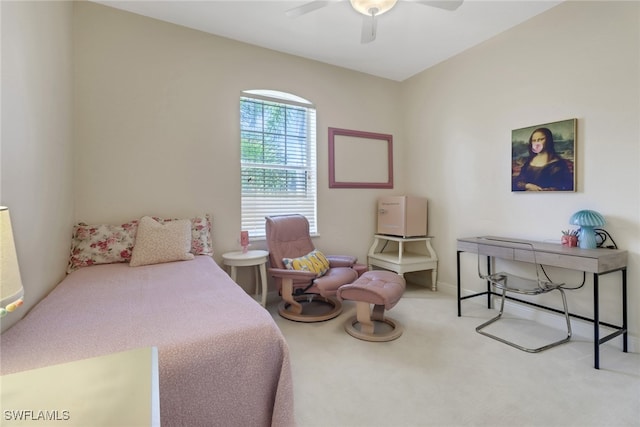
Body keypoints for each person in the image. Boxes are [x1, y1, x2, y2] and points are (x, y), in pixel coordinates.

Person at [512, 127, 573, 191]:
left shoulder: (558, 164)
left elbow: (566, 185)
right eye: (534, 140)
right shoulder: (527, 162)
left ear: (548, 140)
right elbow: (517, 182)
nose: (537, 143)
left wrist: (546, 191)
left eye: (541, 139)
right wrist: (527, 186)